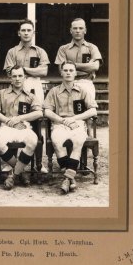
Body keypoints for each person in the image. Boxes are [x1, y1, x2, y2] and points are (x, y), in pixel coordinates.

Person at [43, 61, 98, 194]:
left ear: (75, 73)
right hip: (59, 124)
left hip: (77, 124)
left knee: (78, 141)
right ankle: (70, 179)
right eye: (65, 70)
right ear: (61, 73)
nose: (68, 73)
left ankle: (67, 178)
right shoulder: (54, 91)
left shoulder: (83, 91)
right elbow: (47, 112)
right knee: (57, 140)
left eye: (71, 70)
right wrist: (63, 120)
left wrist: (73, 119)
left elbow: (93, 111)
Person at [0, 66, 44, 189]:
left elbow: (39, 113)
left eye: (20, 76)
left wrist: (19, 119)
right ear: (10, 78)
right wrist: (8, 120)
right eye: (14, 76)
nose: (17, 79)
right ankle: (21, 172)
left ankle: (13, 175)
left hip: (23, 126)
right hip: (6, 126)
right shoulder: (2, 93)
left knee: (33, 141)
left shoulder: (30, 96)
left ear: (25, 78)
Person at [4, 18, 50, 102]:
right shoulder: (12, 52)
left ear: (33, 33)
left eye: (29, 30)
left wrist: (23, 69)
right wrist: (34, 71)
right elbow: (9, 72)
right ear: (19, 33)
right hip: (17, 85)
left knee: (37, 110)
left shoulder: (40, 51)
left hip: (35, 84)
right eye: (23, 30)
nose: (26, 33)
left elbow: (43, 71)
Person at [55, 18, 102, 98]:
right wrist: (87, 66)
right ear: (70, 30)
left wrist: (71, 65)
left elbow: (95, 66)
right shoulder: (63, 49)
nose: (77, 31)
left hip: (87, 83)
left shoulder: (92, 48)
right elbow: (61, 70)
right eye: (75, 28)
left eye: (81, 28)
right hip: (69, 84)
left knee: (89, 109)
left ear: (85, 30)